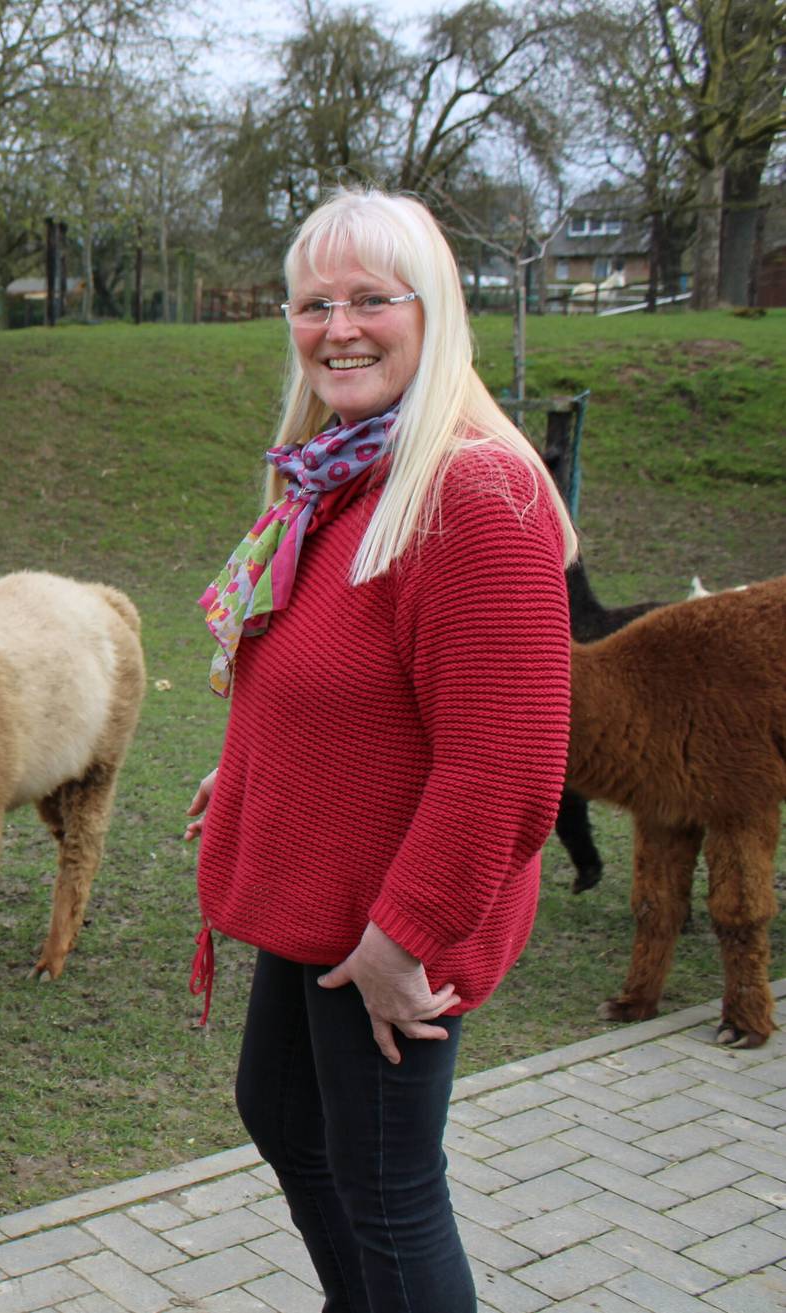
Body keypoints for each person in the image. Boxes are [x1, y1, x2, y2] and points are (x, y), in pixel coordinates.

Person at [184, 187, 576, 1312]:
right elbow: (336, 680)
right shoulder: (340, 476)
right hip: (326, 891)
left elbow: (508, 766)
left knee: (390, 1189)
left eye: (371, 299)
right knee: (287, 1114)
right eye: (314, 303)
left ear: (433, 311)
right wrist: (258, 768)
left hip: (391, 925)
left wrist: (407, 938)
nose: (339, 326)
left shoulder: (471, 492)